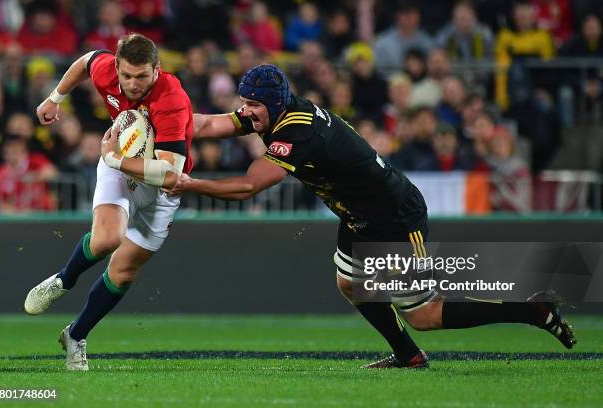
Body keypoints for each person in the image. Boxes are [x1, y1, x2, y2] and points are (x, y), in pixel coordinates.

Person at [169, 64, 576, 368]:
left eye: (253, 104)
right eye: (245, 102)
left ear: (273, 104)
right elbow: (205, 123)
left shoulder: (297, 130)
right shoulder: (273, 113)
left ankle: (530, 309)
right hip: (359, 216)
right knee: (350, 282)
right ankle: (408, 357)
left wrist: (188, 184)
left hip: (395, 216)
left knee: (424, 314)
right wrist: (158, 120)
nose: (246, 111)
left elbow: (248, 186)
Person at [23, 33, 194, 371]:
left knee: (124, 271)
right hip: (118, 167)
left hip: (160, 186)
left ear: (157, 70)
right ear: (116, 66)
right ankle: (64, 279)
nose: (132, 84)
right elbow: (85, 62)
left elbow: (170, 175)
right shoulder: (106, 69)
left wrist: (114, 159)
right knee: (107, 239)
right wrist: (55, 97)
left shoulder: (172, 97)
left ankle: (76, 334)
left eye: (142, 76)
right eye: (126, 75)